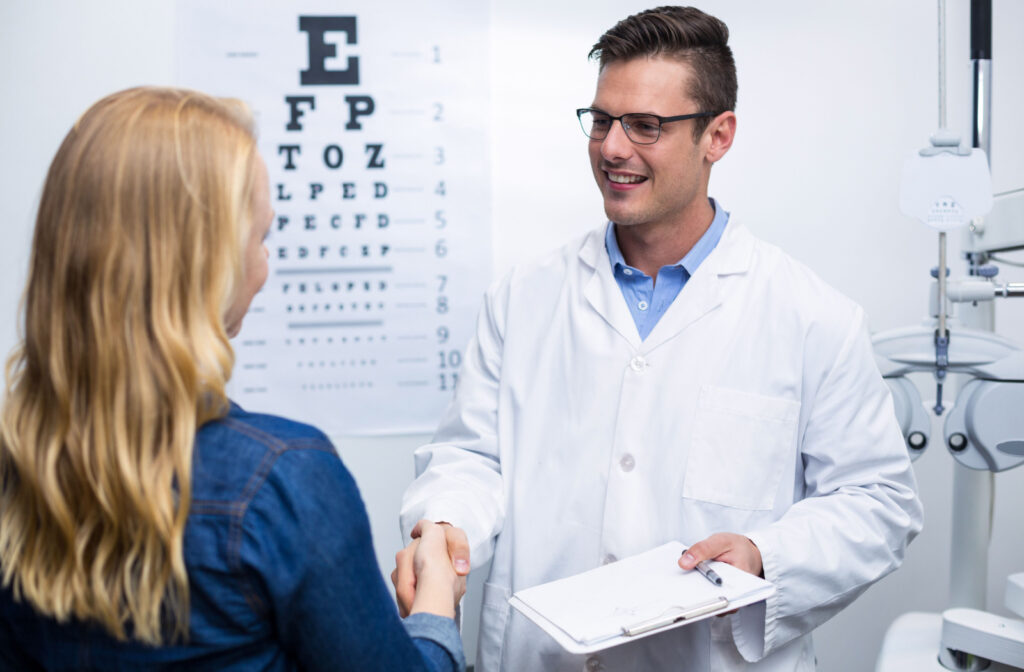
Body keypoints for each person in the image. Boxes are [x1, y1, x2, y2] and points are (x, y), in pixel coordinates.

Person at [395, 6, 923, 671]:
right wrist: (446, 525)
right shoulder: (524, 298)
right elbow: (471, 458)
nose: (613, 147)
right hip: (543, 656)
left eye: (646, 125)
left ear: (718, 136)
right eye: (601, 120)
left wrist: (766, 557)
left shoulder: (810, 316)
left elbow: (878, 503)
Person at [0, 87, 465, 672]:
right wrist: (436, 602)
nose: (264, 267)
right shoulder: (282, 482)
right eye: (260, 238)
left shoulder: (18, 465)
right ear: (204, 263)